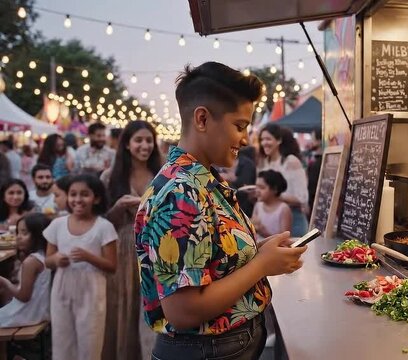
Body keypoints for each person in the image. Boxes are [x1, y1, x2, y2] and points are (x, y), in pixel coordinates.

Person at [135, 61, 307, 360]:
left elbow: (208, 263)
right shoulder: (181, 193)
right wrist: (261, 265)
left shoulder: (201, 180)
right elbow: (184, 311)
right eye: (239, 126)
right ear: (202, 119)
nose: (244, 139)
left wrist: (257, 250)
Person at [101, 120, 161, 360]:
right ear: (127, 144)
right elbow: (102, 222)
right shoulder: (110, 176)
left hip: (155, 247)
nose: (144, 146)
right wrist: (117, 207)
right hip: (122, 249)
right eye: (139, 140)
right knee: (123, 307)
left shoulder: (161, 174)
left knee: (151, 306)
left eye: (149, 140)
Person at [44, 174, 118, 360]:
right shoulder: (57, 224)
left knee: (90, 342)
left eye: (84, 194)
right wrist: (56, 259)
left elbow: (112, 266)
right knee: (62, 342)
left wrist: (89, 257)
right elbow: (48, 260)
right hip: (62, 290)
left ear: (97, 198)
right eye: (73, 194)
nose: (78, 199)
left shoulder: (104, 227)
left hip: (91, 292)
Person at [0, 213, 52, 326]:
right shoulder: (46, 256)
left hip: (27, 314)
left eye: (24, 233)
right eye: (18, 232)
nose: (18, 237)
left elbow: (24, 297)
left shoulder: (32, 261)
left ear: (39, 235)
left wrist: (5, 282)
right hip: (42, 312)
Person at [258, 124, 309, 236]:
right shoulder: (266, 162)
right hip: (272, 222)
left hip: (294, 221)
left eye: (268, 139)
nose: (264, 143)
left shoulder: (291, 161)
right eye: (262, 139)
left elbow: (302, 197)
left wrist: (273, 195)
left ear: (279, 140)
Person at [252, 170, 292, 241]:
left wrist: (263, 232)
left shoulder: (283, 209)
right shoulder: (258, 206)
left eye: (262, 188)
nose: (257, 190)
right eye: (256, 187)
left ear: (275, 189)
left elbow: (284, 239)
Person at [221, 146, 257, 216]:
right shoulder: (218, 164)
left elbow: (247, 186)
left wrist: (232, 178)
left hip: (244, 210)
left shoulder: (247, 164)